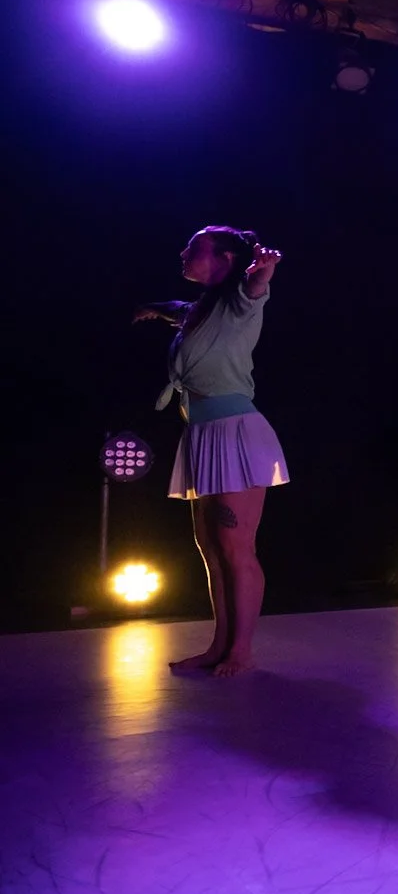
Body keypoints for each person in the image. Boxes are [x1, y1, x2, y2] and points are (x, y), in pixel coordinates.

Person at [133, 226, 288, 677]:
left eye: (194, 248)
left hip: (235, 433)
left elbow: (254, 289)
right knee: (211, 549)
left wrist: (263, 271)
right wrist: (152, 308)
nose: (184, 252)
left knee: (235, 546)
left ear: (224, 259)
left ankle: (241, 650)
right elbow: (179, 310)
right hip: (201, 434)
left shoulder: (239, 301)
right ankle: (219, 645)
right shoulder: (201, 309)